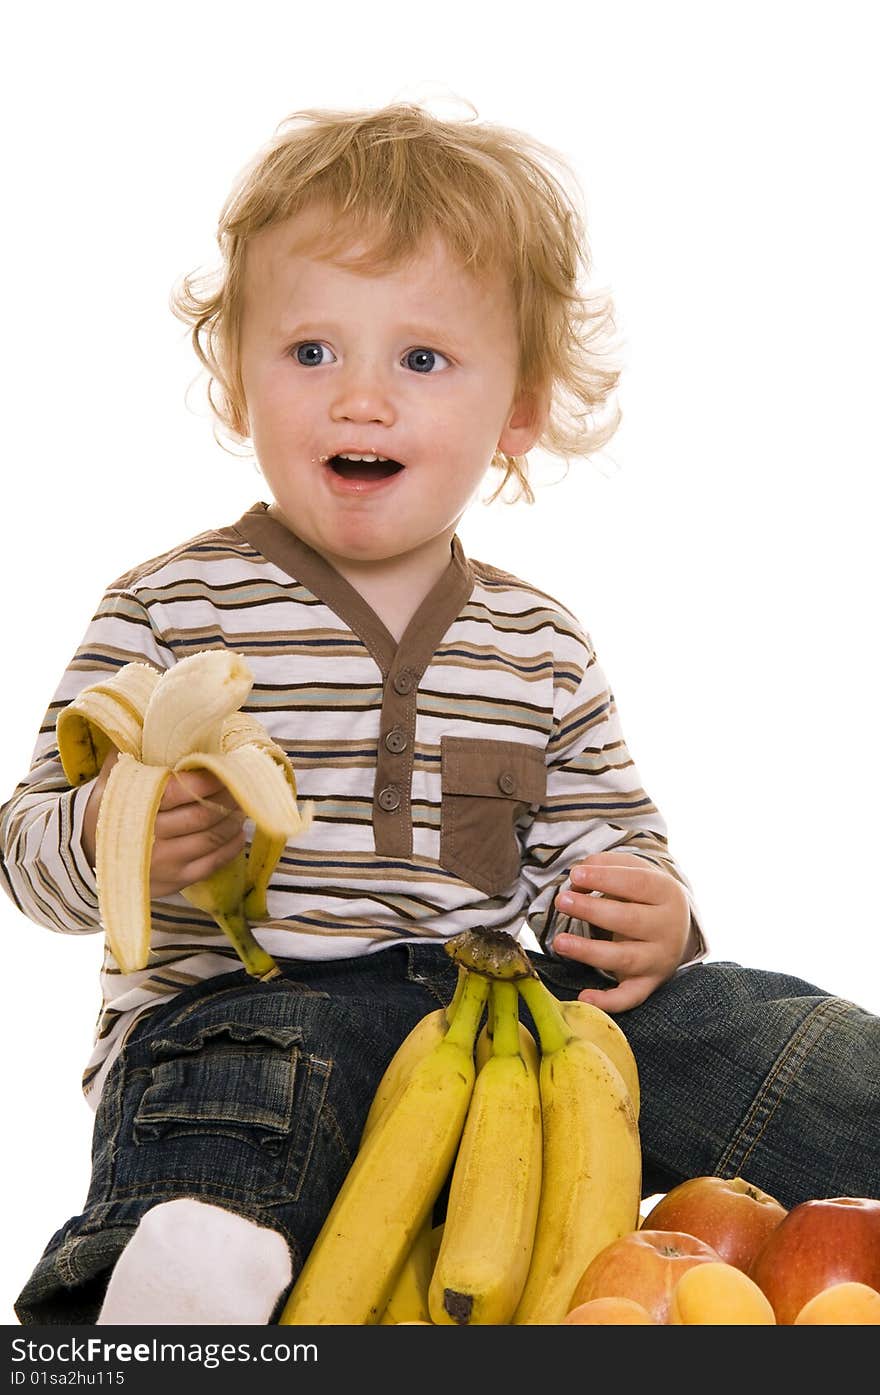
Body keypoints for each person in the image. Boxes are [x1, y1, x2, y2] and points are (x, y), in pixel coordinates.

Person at [2, 100, 877, 1327]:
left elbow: (604, 845)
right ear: (238, 379)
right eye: (310, 352)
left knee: (735, 1020)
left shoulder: (541, 643)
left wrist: (652, 918)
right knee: (255, 1083)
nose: (360, 398)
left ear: (516, 411)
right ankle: (173, 1284)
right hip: (254, 1019)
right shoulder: (167, 608)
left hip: (500, 1037)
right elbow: (27, 852)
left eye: (420, 360)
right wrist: (110, 834)